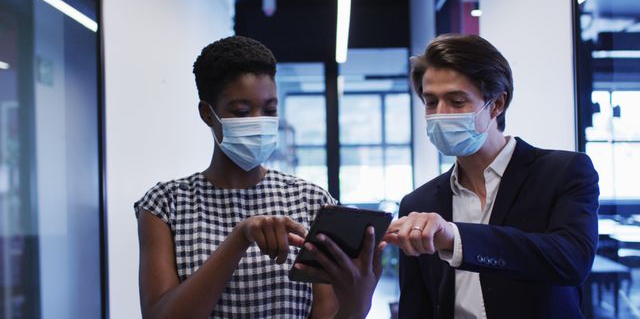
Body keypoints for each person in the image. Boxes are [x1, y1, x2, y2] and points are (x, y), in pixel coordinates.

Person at [134, 35, 383, 319]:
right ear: (207, 113)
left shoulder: (310, 201)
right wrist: (240, 238)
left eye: (270, 110)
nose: (258, 121)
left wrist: (358, 303)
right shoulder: (166, 205)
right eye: (241, 111)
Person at [383, 34, 599, 319]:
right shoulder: (418, 202)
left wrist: (455, 237)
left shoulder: (564, 172)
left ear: (496, 104)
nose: (440, 114)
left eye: (457, 101)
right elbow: (417, 306)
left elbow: (571, 260)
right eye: (431, 102)